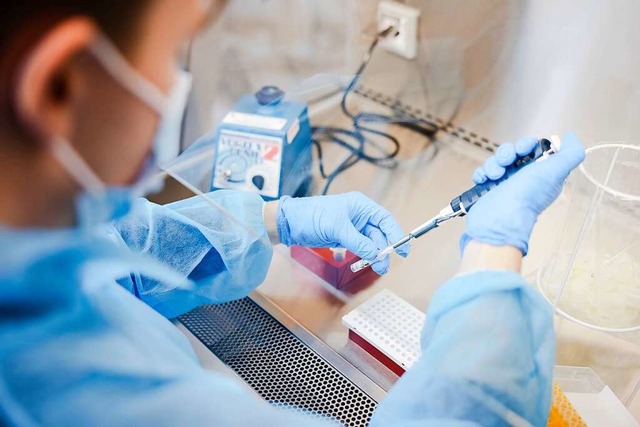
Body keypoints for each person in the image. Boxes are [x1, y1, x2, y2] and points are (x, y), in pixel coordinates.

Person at [0, 1, 585, 426]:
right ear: (57, 85)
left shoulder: (26, 249)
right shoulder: (69, 393)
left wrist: (277, 220)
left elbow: (120, 254)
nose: (170, 82)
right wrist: (492, 254)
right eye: (173, 51)